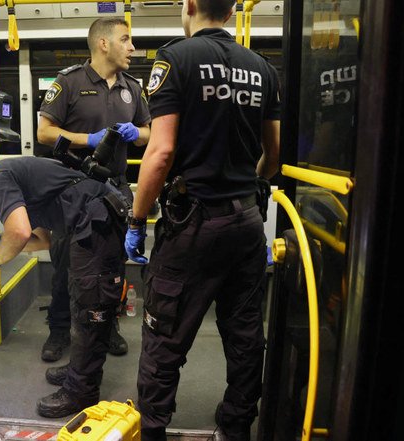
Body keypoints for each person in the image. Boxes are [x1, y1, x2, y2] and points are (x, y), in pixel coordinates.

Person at [124, 0, 281, 440]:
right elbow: (274, 154)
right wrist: (242, 187)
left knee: (164, 335)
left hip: (193, 224)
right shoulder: (263, 68)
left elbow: (161, 152)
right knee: (245, 334)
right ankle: (235, 427)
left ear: (190, 5)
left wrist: (137, 220)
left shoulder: (175, 58)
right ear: (232, 11)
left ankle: (152, 430)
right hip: (247, 223)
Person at [0, 157, 129, 419]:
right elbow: (40, 240)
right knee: (81, 302)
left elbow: (18, 234)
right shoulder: (12, 183)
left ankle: (82, 390)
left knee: (92, 307)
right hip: (89, 222)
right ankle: (80, 368)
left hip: (97, 220)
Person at [36, 17, 151, 366]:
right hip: (71, 188)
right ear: (103, 43)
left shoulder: (133, 87)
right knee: (64, 265)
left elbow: (149, 133)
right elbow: (44, 132)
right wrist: (89, 140)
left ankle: (108, 327)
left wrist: (137, 134)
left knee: (112, 263)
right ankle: (59, 331)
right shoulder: (69, 82)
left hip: (113, 188)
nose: (132, 47)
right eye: (125, 39)